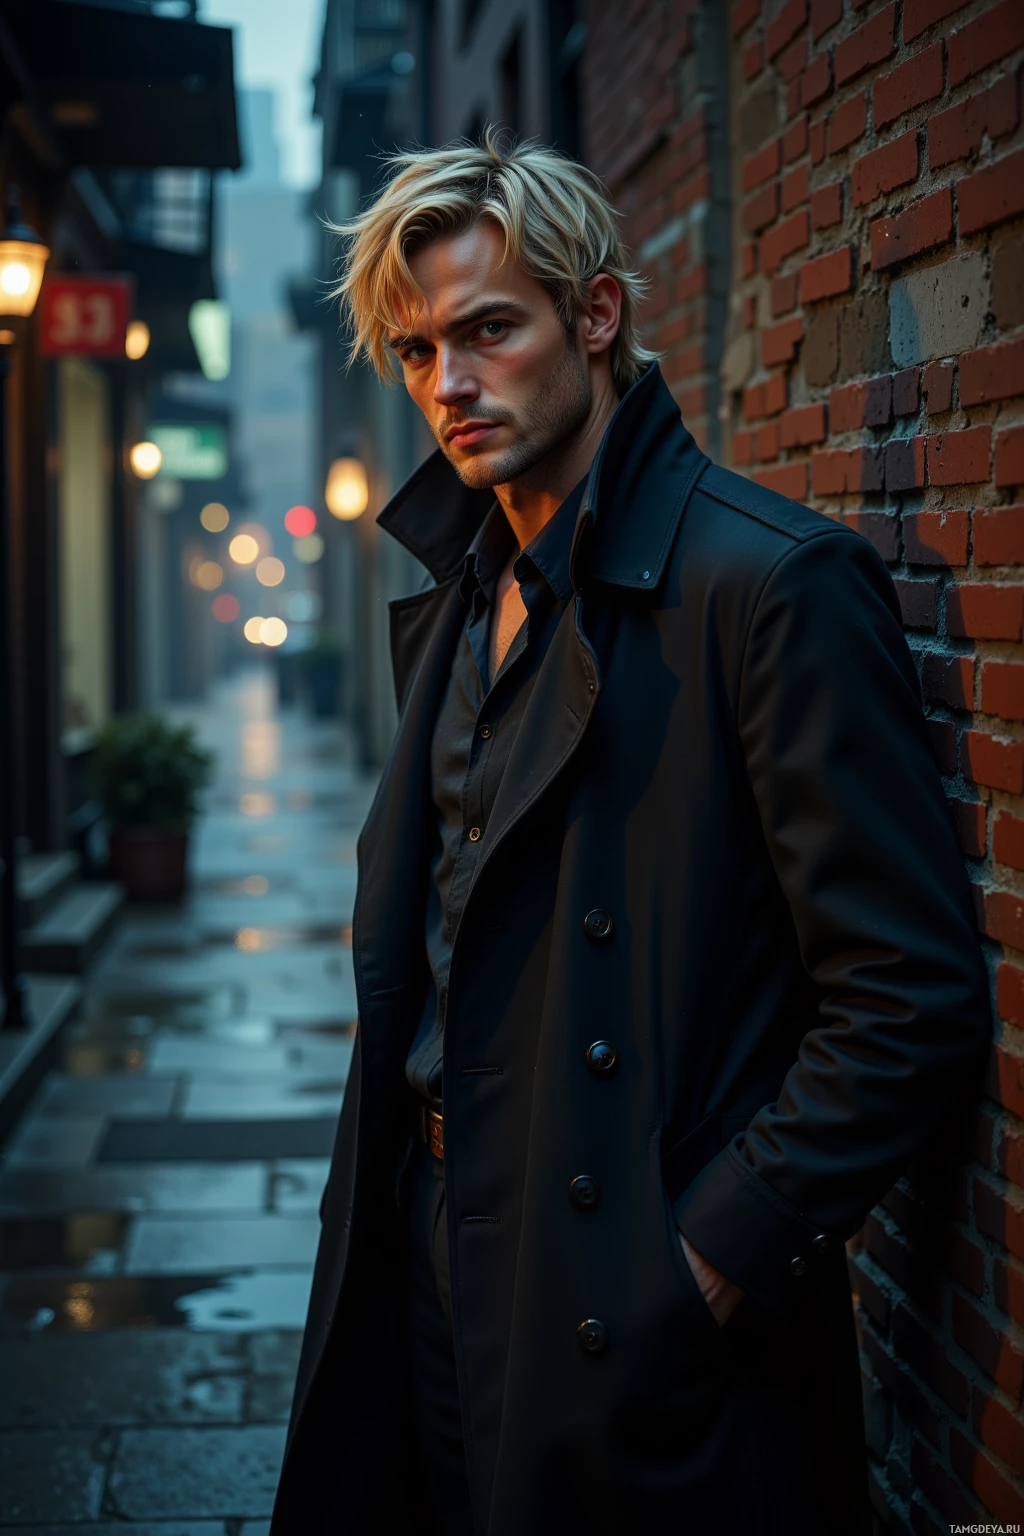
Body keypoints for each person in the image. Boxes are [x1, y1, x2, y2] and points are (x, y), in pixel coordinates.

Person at [269, 131, 990, 1536]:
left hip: (624, 1294)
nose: (449, 384)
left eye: (489, 330)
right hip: (432, 1250)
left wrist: (701, 1264)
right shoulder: (463, 596)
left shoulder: (769, 586)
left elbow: (910, 999)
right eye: (417, 352)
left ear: (596, 315)